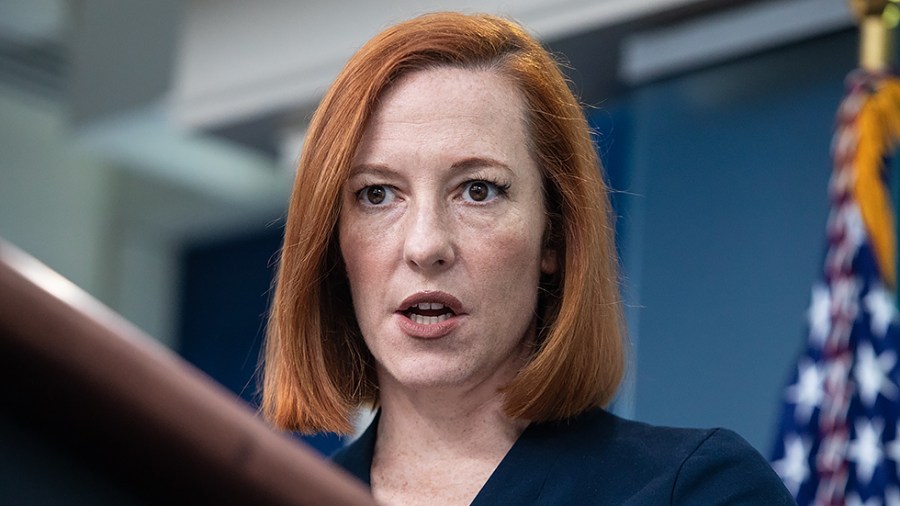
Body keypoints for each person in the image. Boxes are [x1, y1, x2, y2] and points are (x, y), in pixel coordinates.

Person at [262, 11, 794, 505]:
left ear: (554, 238)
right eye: (377, 194)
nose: (425, 246)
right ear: (333, 244)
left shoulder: (698, 489)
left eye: (477, 190)